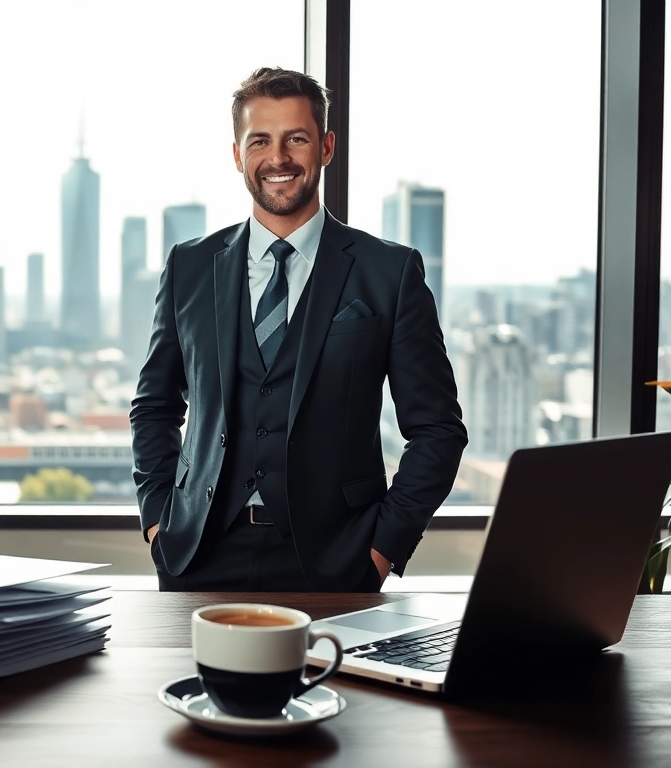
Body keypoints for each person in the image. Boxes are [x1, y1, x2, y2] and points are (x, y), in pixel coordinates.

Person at [130, 67, 467, 592]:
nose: (279, 158)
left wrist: (380, 550)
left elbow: (438, 430)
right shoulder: (189, 267)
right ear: (238, 155)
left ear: (326, 147)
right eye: (260, 140)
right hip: (197, 556)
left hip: (335, 561)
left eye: (297, 139)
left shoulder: (389, 273)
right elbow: (154, 406)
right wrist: (157, 521)